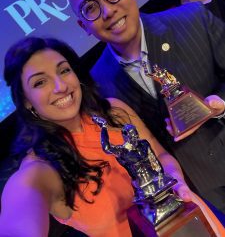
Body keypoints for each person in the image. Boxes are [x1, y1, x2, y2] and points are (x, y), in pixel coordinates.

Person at [67, 0, 225, 214]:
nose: (108, 10)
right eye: (90, 8)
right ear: (83, 26)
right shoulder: (98, 85)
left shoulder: (193, 19)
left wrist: (219, 104)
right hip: (190, 203)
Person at [0, 37, 194, 237]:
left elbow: (160, 156)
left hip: (191, 223)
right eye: (40, 82)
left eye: (64, 70)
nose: (60, 87)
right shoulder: (41, 168)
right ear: (26, 101)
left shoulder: (114, 111)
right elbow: (22, 203)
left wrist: (178, 183)